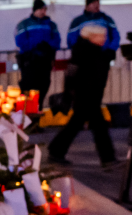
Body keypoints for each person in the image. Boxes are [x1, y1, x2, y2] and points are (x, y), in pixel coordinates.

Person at [47, 22, 116, 167]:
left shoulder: (93, 50)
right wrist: (69, 91)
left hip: (89, 94)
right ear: (92, 37)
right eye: (101, 36)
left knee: (78, 124)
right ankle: (108, 159)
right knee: (98, 127)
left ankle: (56, 150)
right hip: (86, 94)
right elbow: (72, 72)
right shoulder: (84, 51)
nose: (104, 39)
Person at [14, 0, 61, 108]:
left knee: (43, 87)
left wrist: (47, 45)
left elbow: (57, 41)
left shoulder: (51, 25)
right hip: (30, 62)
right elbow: (20, 41)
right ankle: (26, 116)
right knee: (28, 88)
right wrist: (35, 44)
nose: (43, 12)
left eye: (44, 9)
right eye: (40, 9)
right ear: (34, 10)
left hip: (45, 61)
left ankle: (36, 115)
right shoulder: (24, 24)